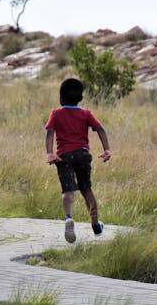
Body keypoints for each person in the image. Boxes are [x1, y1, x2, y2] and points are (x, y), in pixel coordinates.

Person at [45, 78, 112, 243]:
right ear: (81, 98)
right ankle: (96, 224)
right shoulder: (86, 114)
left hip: (63, 157)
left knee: (68, 190)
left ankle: (68, 218)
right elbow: (100, 129)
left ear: (61, 98)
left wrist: (49, 153)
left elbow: (50, 132)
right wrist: (107, 149)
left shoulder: (56, 113)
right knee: (86, 189)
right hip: (82, 155)